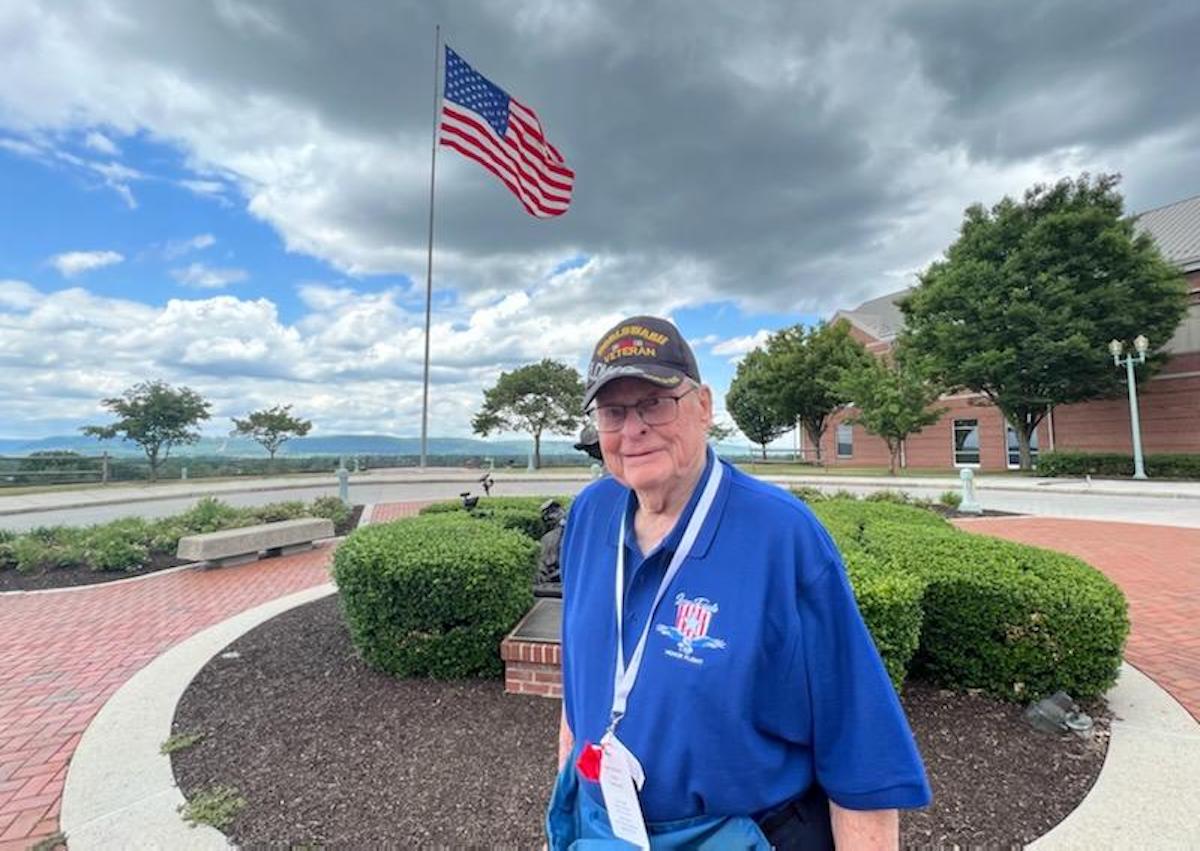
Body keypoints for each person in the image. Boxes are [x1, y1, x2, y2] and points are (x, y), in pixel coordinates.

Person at [546, 316, 931, 850]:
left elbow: (859, 749)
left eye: (655, 403)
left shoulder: (783, 535)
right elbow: (582, 681)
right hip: (602, 830)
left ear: (703, 406)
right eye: (613, 411)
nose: (632, 429)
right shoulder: (590, 514)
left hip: (740, 836)